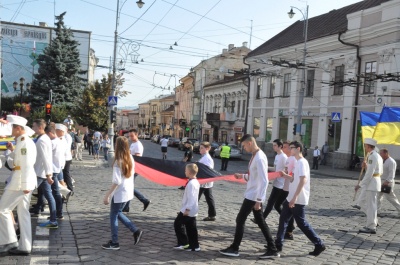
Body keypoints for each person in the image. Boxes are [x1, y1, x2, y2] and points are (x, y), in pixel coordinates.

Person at [219, 134, 279, 259]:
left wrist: (259, 200)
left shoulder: (260, 158)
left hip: (253, 196)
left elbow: (264, 180)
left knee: (240, 220)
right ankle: (272, 248)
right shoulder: (255, 156)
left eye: (244, 146)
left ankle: (235, 248)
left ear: (250, 143)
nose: (244, 148)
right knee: (261, 222)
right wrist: (242, 176)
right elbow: (254, 177)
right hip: (252, 193)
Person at [277, 141, 326, 256]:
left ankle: (319, 244)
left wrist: (295, 197)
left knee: (301, 223)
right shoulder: (297, 162)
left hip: (298, 199)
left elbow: (303, 180)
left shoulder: (302, 162)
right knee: (283, 220)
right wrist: (285, 176)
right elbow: (294, 179)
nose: (289, 150)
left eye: (292, 148)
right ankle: (278, 244)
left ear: (298, 149)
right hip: (291, 197)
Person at [0, 115, 37, 256]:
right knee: (23, 213)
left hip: (20, 182)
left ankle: (10, 240)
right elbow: (15, 164)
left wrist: (25, 184)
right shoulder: (22, 141)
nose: (10, 129)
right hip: (21, 181)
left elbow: (26, 165)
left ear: (19, 128)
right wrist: (11, 150)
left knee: (2, 209)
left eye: (12, 127)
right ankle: (25, 246)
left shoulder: (25, 142)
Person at [102, 137, 143, 250]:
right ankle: (135, 230)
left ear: (117, 146)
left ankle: (115, 242)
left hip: (120, 192)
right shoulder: (130, 157)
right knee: (118, 213)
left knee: (113, 216)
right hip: (128, 190)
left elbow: (116, 181)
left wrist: (108, 195)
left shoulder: (118, 161)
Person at [29, 119, 58, 229]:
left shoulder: (42, 140)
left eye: (34, 126)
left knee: (27, 193)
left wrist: (48, 174)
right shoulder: (42, 138)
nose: (33, 128)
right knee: (49, 196)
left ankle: (53, 220)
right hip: (42, 172)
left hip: (41, 173)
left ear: (40, 127)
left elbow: (46, 158)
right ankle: (53, 220)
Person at [251, 139, 287, 225]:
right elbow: (275, 169)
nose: (273, 147)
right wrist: (266, 168)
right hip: (276, 182)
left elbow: (286, 169)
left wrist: (280, 174)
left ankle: (260, 219)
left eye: (275, 145)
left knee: (271, 203)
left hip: (281, 184)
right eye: (273, 145)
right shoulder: (277, 156)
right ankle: (287, 221)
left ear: (280, 146)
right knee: (275, 205)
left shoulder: (283, 157)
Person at [355, 138, 383, 234]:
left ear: (368, 146)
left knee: (371, 206)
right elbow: (375, 170)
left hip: (372, 183)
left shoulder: (372, 156)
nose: (365, 147)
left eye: (365, 145)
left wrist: (360, 184)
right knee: (372, 205)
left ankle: (371, 226)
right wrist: (366, 166)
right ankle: (373, 223)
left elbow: (370, 173)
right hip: (375, 182)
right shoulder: (377, 155)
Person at [122, 129, 151, 213]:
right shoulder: (133, 144)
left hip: (134, 168)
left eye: (132, 136)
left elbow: (137, 157)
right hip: (131, 168)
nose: (130, 137)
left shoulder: (138, 145)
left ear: (136, 135)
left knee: (129, 187)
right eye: (129, 136)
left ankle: (144, 200)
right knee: (129, 187)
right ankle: (126, 207)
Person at [173, 163, 200, 252]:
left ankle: (184, 243)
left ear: (190, 172)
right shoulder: (195, 182)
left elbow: (192, 197)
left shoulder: (192, 183)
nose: (184, 171)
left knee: (178, 223)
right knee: (191, 228)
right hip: (192, 208)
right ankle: (194, 245)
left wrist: (187, 209)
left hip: (189, 209)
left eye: (186, 170)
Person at [44, 125, 64, 220]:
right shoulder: (59, 141)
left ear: (50, 133)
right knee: (55, 192)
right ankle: (59, 213)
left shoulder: (52, 143)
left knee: (51, 192)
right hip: (57, 168)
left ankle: (55, 214)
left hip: (52, 169)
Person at [377, 148, 400, 216]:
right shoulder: (383, 160)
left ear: (386, 153)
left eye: (381, 153)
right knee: (378, 196)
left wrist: (387, 181)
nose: (380, 154)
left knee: (391, 198)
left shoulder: (391, 161)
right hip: (381, 181)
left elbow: (392, 173)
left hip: (387, 182)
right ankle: (376, 210)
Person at [198, 141, 216, 221]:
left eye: (202, 148)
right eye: (200, 148)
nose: (200, 149)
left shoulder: (207, 158)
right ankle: (212, 215)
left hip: (204, 182)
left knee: (195, 197)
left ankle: (188, 212)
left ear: (207, 148)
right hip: (205, 182)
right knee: (209, 198)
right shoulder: (204, 157)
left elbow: (207, 171)